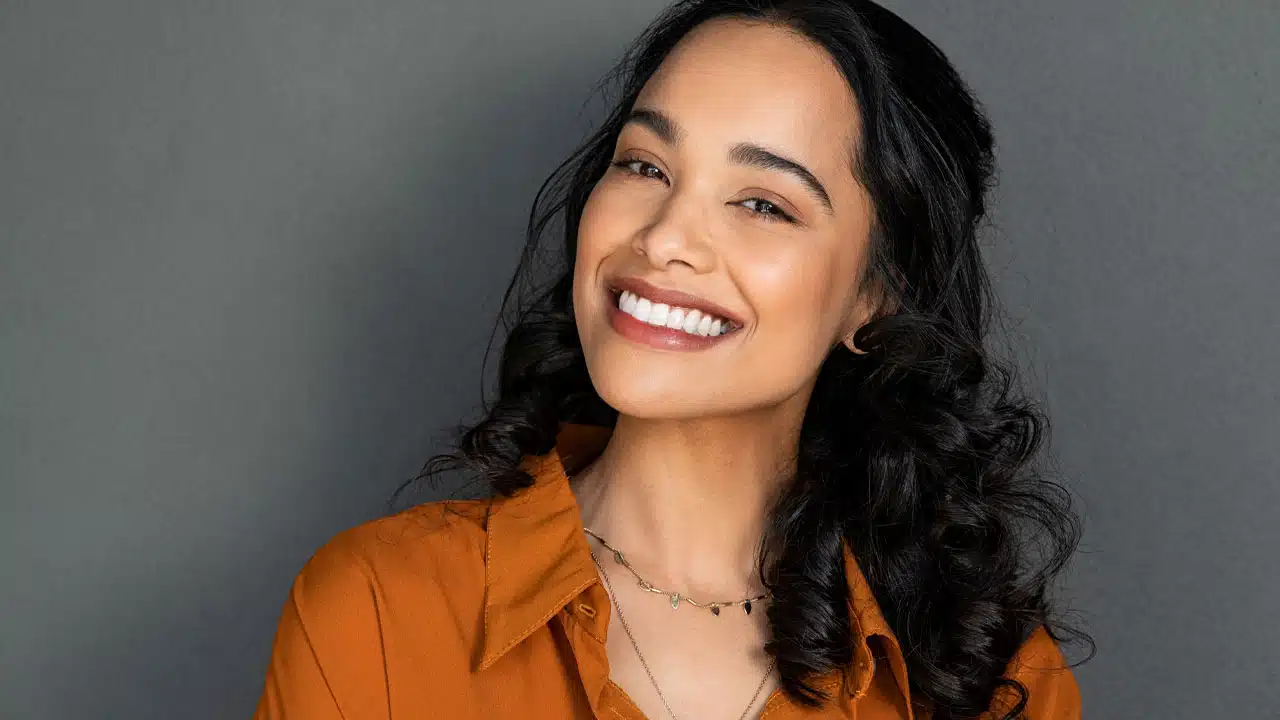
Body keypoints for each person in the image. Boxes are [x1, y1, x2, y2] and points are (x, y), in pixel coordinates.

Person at [254, 1, 1092, 717]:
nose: (662, 239)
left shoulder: (998, 683)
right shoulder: (374, 607)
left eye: (763, 203)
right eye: (645, 165)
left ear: (878, 295)